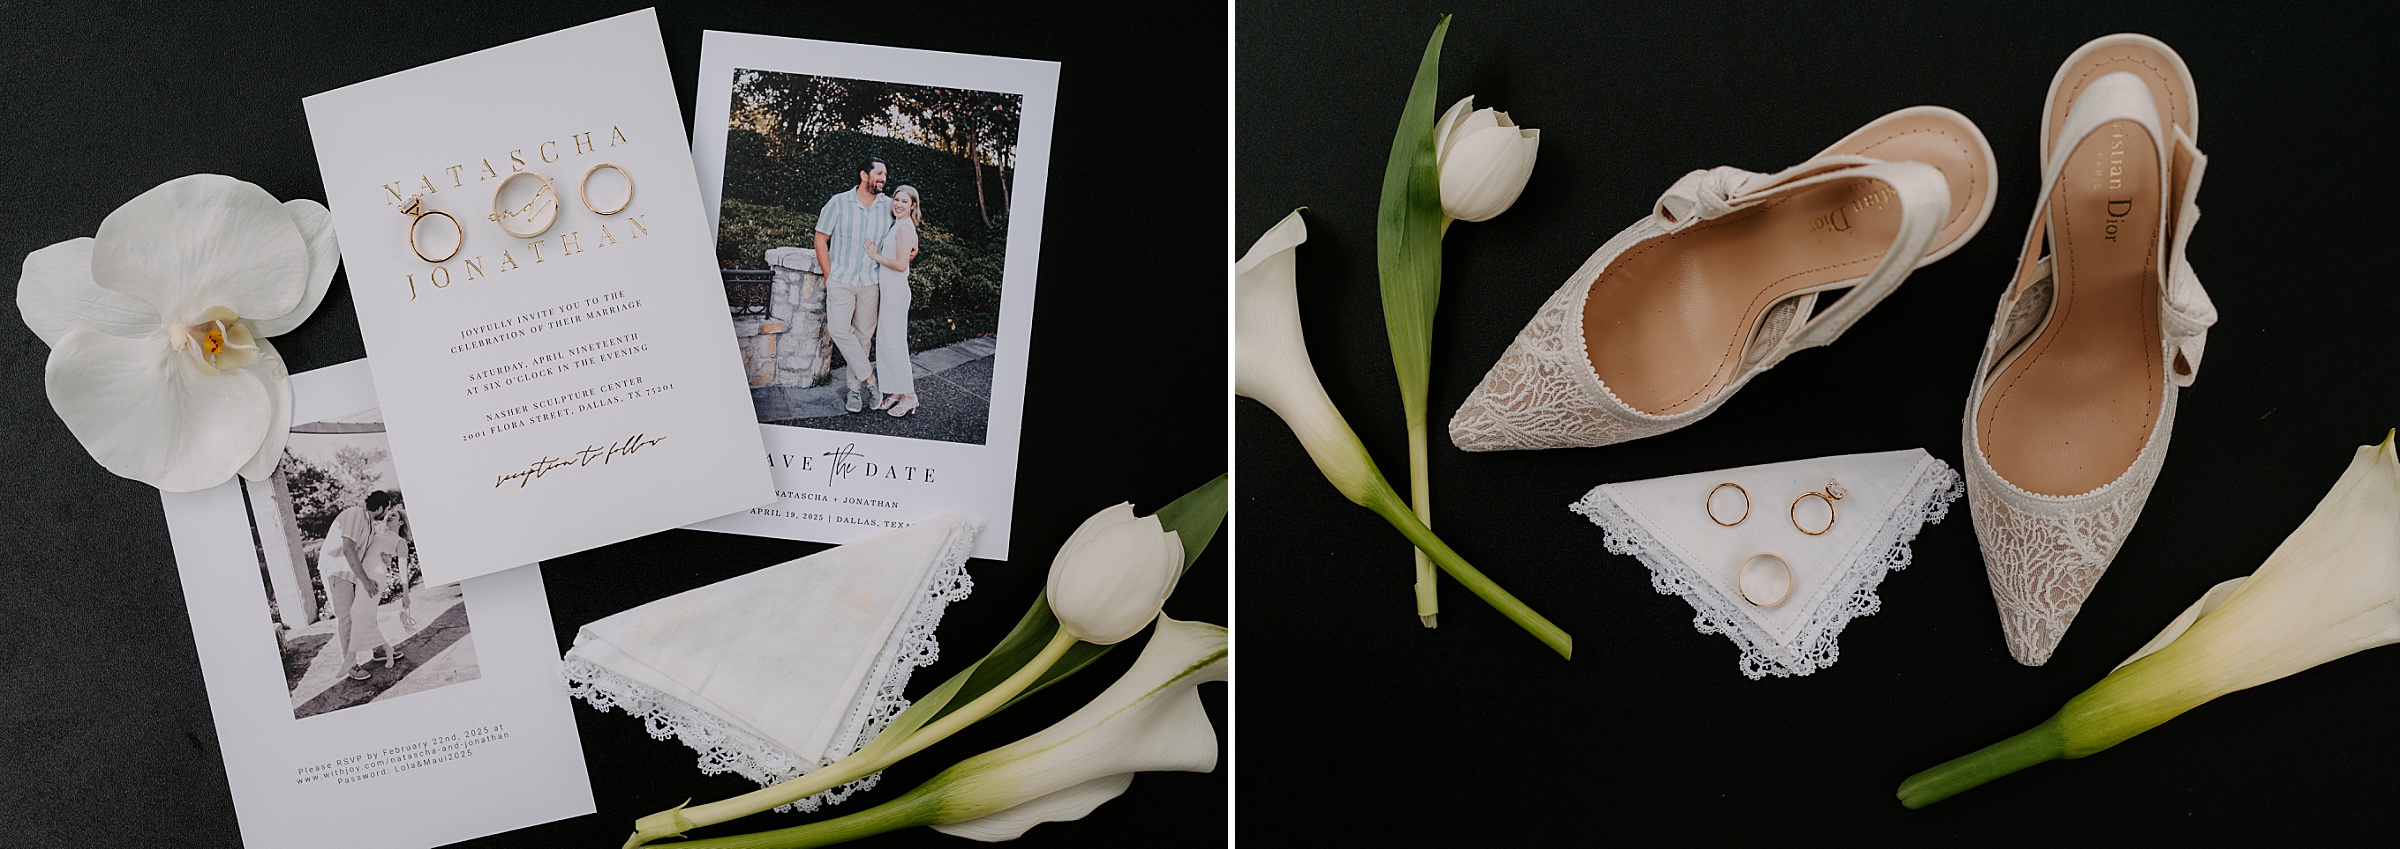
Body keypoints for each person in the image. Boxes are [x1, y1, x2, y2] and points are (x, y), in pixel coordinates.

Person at [815, 156, 893, 413]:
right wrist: (829, 275)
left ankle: (854, 390)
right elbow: (820, 238)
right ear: (864, 175)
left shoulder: (889, 207)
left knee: (863, 338)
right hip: (841, 280)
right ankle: (870, 379)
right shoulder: (838, 202)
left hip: (871, 282)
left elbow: (905, 229)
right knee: (838, 329)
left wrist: (911, 247)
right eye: (879, 173)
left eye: (885, 175)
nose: (883, 178)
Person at [321, 490, 395, 681]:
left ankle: (377, 649)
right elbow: (348, 550)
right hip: (338, 571)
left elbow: (368, 551)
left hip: (352, 573)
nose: (386, 514)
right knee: (346, 617)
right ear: (379, 508)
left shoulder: (369, 523)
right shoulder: (355, 514)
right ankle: (350, 665)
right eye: (386, 509)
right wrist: (366, 581)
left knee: (364, 611)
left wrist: (383, 558)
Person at [864, 185, 922, 417]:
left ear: (913, 206)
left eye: (904, 202)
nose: (898, 204)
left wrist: (876, 255)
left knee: (895, 345)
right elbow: (892, 201)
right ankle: (897, 391)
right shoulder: (899, 223)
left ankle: (910, 396)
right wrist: (880, 195)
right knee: (887, 344)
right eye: (896, 200)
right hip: (890, 293)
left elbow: (900, 264)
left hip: (896, 294)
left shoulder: (905, 228)